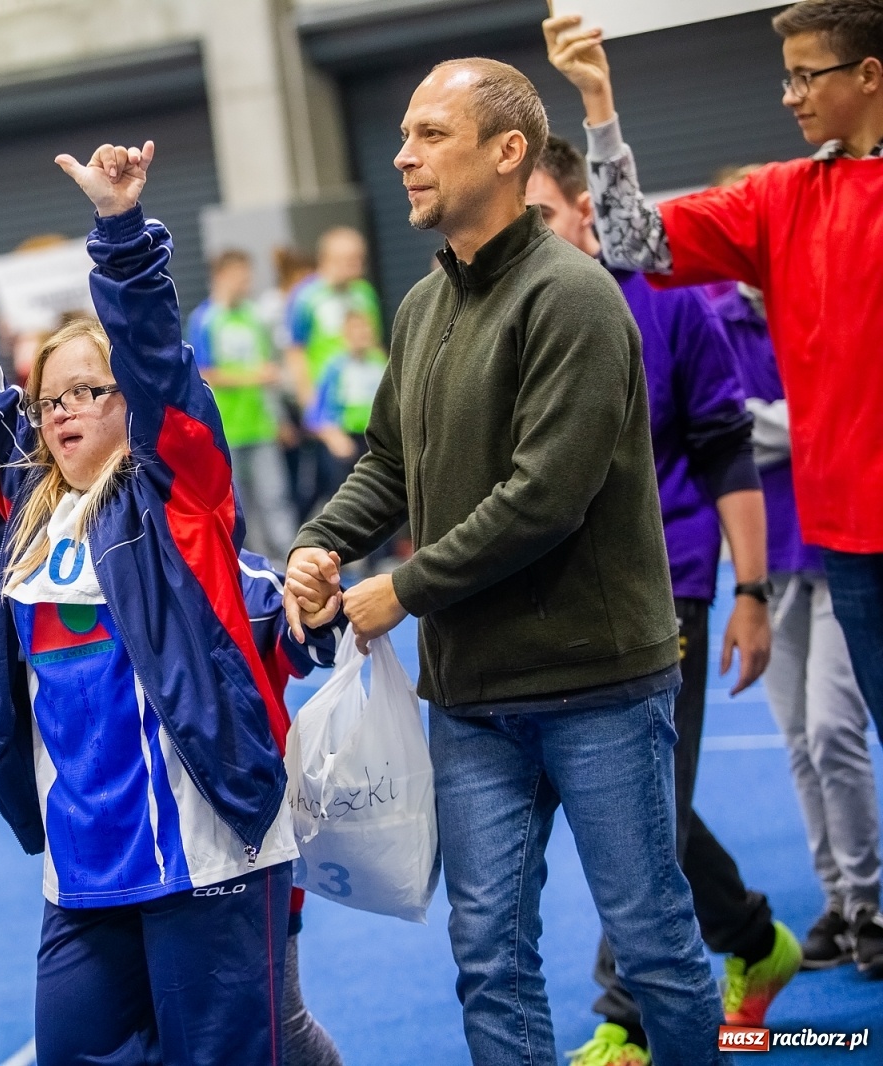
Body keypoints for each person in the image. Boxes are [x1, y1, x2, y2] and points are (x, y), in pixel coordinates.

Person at [284, 60, 727, 1065]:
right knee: (487, 953)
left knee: (654, 947)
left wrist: (399, 588)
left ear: (508, 151)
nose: (402, 154)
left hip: (597, 687)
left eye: (430, 133)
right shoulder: (421, 309)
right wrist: (322, 540)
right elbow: (390, 462)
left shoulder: (572, 297)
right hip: (474, 697)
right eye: (403, 133)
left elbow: (544, 498)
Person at [0, 140, 303, 1064]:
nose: (63, 410)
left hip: (203, 857)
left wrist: (122, 234)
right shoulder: (31, 510)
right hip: (84, 874)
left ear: (128, 403)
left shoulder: (180, 497)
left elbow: (161, 363)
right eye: (50, 400)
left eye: (89, 391)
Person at [544, 0, 883, 753]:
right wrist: (598, 103)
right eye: (785, 77)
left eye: (804, 77)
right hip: (849, 538)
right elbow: (634, 238)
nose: (788, 95)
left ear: (868, 74)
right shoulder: (781, 195)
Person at [527, 134, 799, 1059]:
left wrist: (752, 590)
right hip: (551, 593)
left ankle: (625, 1017)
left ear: (585, 216)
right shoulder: (509, 311)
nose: (526, 237)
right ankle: (756, 941)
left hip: (665, 586)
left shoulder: (672, 301)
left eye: (541, 220)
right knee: (640, 798)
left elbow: (728, 450)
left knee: (635, 809)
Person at [0, 468, 345, 1066]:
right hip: (106, 866)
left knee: (279, 1029)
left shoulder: (219, 572)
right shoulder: (43, 571)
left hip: (227, 850)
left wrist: (314, 606)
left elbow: (303, 636)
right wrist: (19, 444)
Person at [697, 168, 881, 977]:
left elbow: (760, 427)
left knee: (838, 728)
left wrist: (790, 423)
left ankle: (870, 901)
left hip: (843, 542)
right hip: (768, 557)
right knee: (800, 738)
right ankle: (839, 899)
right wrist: (812, 416)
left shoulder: (827, 294)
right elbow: (728, 428)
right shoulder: (717, 314)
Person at [187, 249, 298, 565]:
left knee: (276, 497)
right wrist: (253, 377)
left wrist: (279, 419)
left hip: (260, 423)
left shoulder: (253, 317)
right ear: (221, 276)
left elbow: (268, 370)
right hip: (226, 429)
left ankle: (289, 561)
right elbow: (205, 372)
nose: (246, 283)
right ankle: (250, 565)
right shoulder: (205, 319)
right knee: (238, 504)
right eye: (240, 276)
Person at [285, 227, 383, 516]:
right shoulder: (305, 296)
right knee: (328, 483)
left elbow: (375, 344)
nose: (358, 266)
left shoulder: (363, 292)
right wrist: (308, 402)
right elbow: (296, 350)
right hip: (327, 404)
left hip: (361, 401)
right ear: (328, 259)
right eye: (351, 260)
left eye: (360, 259)